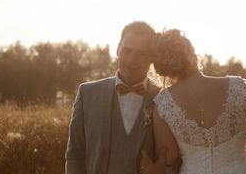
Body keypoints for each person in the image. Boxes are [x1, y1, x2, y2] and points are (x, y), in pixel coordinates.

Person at [141, 29, 246, 174]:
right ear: (192, 54)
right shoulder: (238, 87)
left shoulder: (163, 103)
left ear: (161, 69)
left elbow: (169, 157)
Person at [65, 21, 177, 174]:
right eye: (127, 50)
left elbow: (174, 161)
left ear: (151, 58)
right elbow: (74, 155)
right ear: (118, 49)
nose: (132, 59)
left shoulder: (164, 99)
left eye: (141, 54)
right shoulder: (88, 94)